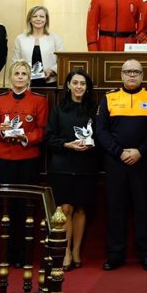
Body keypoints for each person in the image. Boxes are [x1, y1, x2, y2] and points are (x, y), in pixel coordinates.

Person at [96, 59, 147, 271]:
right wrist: (119, 152)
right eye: (128, 72)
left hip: (143, 162)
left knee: (145, 210)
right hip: (116, 162)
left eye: (136, 72)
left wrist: (140, 151)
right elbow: (101, 131)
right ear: (121, 75)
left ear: (142, 75)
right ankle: (115, 255)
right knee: (115, 209)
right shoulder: (109, 97)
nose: (132, 75)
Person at [0, 60, 48, 268]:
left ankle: (23, 255)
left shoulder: (39, 101)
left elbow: (42, 130)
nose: (20, 77)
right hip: (4, 159)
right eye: (17, 73)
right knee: (6, 209)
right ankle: (7, 253)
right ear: (10, 77)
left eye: (24, 73)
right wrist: (3, 132)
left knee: (26, 209)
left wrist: (26, 137)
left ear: (29, 78)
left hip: (27, 160)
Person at [45, 70, 100, 270]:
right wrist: (67, 145)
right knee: (66, 208)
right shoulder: (58, 110)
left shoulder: (94, 110)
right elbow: (49, 138)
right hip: (63, 165)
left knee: (81, 208)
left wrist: (92, 144)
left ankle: (76, 250)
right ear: (68, 85)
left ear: (87, 87)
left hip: (87, 165)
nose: (78, 87)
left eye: (82, 83)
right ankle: (66, 251)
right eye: (74, 83)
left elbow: (101, 136)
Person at [12, 5, 64, 86]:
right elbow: (15, 62)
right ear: (30, 19)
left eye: (42, 16)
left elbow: (62, 60)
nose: (38, 19)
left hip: (50, 82)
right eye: (35, 16)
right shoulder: (20, 38)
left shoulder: (56, 38)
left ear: (46, 20)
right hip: (26, 83)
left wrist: (52, 70)